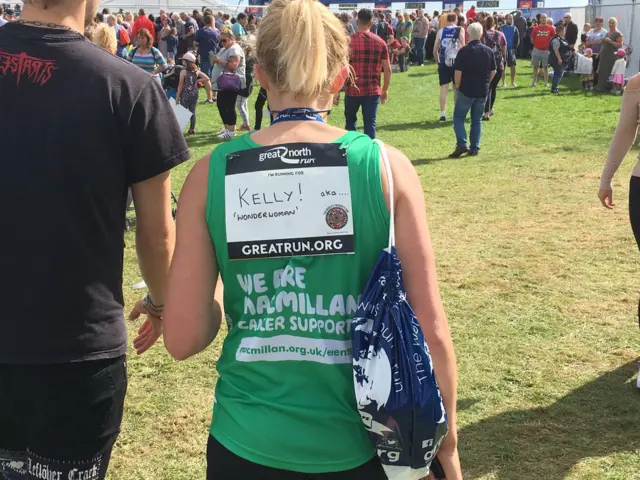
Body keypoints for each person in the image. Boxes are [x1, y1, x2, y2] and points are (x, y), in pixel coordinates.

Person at [161, 0, 461, 478]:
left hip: (245, 443)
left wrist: (218, 282)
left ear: (259, 74)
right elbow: (431, 326)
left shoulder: (209, 174)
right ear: (341, 77)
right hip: (367, 441)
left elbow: (182, 338)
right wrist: (446, 440)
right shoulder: (388, 168)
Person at [0, 0, 190, 477]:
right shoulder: (127, 86)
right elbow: (156, 231)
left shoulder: (130, 87)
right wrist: (162, 301)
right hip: (76, 353)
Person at [450, 22, 496, 158]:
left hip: (466, 89)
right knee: (477, 120)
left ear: (468, 34)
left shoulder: (463, 51)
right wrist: (487, 82)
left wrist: (457, 85)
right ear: (481, 34)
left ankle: (461, 143)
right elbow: (493, 71)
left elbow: (458, 72)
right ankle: (475, 147)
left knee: (458, 117)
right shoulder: (488, 51)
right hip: (482, 90)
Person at [345, 8, 391, 139]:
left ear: (357, 21)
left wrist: (337, 91)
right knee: (370, 123)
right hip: (372, 90)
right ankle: (369, 154)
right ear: (372, 22)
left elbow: (342, 68)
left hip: (352, 89)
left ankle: (350, 151)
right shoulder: (380, 43)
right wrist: (385, 89)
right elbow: (387, 69)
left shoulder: (348, 42)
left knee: (350, 123)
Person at [211, 29, 246, 140]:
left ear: (231, 38)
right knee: (221, 104)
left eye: (224, 40)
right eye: (220, 41)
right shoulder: (224, 49)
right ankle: (227, 127)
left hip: (231, 82)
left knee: (229, 106)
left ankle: (231, 131)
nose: (222, 43)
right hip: (223, 82)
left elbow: (233, 66)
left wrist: (219, 61)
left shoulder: (235, 50)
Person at [434, 12, 465, 122]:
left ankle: (443, 114)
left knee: (443, 89)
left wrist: (438, 62)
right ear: (456, 19)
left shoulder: (441, 31)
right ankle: (456, 114)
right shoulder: (460, 30)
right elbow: (463, 47)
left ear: (447, 20)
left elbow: (434, 51)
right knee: (456, 88)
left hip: (443, 63)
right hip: (456, 64)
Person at [176, 51, 212, 135]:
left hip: (185, 94)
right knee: (192, 111)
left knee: (182, 111)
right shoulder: (197, 71)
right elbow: (207, 78)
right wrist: (197, 80)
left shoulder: (183, 72)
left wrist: (177, 96)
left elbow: (180, 85)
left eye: (184, 60)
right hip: (194, 94)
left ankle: (180, 130)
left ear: (187, 61)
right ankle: (192, 129)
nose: (182, 62)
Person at [481, 15, 505, 120]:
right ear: (495, 24)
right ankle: (490, 109)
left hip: (486, 66)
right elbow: (504, 51)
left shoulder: (483, 36)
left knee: (487, 88)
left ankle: (486, 112)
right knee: (493, 88)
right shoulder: (501, 35)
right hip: (498, 65)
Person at [595, 17, 623, 92]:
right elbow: (603, 44)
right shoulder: (607, 33)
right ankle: (600, 87)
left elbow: (620, 45)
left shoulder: (618, 33)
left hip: (611, 55)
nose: (611, 24)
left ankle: (608, 88)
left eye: (612, 23)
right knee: (601, 70)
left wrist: (611, 42)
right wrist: (599, 53)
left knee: (609, 71)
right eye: (610, 23)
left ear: (616, 24)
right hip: (604, 55)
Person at [530, 14, 555, 87]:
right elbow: (532, 39)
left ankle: (546, 82)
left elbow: (554, 38)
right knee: (535, 66)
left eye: (545, 18)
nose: (543, 19)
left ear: (547, 19)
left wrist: (549, 46)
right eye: (542, 18)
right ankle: (534, 82)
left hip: (546, 50)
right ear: (540, 19)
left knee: (545, 67)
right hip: (536, 50)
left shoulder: (551, 28)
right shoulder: (535, 28)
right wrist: (537, 45)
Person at [236, 41, 255, 131]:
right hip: (249, 82)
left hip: (245, 82)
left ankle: (246, 124)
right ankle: (246, 123)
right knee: (244, 103)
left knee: (239, 105)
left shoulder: (245, 59)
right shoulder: (251, 58)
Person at [194, 14, 219, 80]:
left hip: (203, 54)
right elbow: (217, 43)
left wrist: (199, 46)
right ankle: (211, 84)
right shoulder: (215, 32)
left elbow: (195, 43)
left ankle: (207, 86)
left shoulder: (200, 31)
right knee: (213, 71)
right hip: (213, 54)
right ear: (212, 22)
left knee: (205, 73)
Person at [548, 23, 570, 95]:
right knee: (558, 74)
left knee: (559, 74)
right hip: (556, 59)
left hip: (562, 59)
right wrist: (559, 58)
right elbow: (556, 49)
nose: (565, 32)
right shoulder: (556, 39)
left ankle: (555, 88)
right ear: (560, 31)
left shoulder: (561, 39)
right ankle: (554, 88)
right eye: (564, 31)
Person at [500, 13, 519, 87]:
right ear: (505, 19)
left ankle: (512, 82)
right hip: (503, 50)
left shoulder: (514, 28)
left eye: (512, 18)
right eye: (509, 18)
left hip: (511, 50)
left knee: (513, 66)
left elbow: (517, 39)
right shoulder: (501, 28)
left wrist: (514, 48)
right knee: (503, 67)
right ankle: (503, 83)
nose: (511, 20)